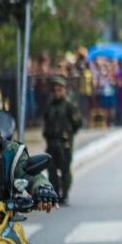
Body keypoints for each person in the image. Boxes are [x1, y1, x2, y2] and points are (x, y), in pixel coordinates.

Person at [42, 76, 81, 205]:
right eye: (55, 90)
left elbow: (77, 122)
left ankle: (65, 194)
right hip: (52, 141)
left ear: (64, 90)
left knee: (65, 169)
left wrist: (69, 134)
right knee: (51, 169)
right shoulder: (49, 104)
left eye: (59, 89)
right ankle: (56, 194)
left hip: (64, 142)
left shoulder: (69, 105)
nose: (57, 92)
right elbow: (46, 120)